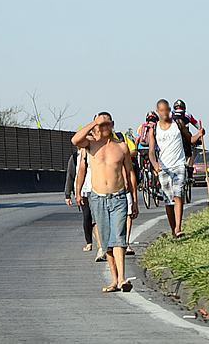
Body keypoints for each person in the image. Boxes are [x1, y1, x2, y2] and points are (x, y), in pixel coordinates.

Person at [71, 112, 138, 293]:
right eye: (101, 125)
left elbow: (130, 174)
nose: (104, 128)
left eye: (107, 124)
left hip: (118, 197)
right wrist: (94, 122)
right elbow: (75, 140)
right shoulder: (90, 144)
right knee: (107, 241)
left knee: (119, 238)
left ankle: (123, 278)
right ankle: (114, 280)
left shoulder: (121, 147)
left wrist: (135, 200)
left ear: (112, 124)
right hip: (98, 198)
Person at [149, 100, 204, 239]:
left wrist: (200, 134)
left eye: (167, 110)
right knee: (168, 200)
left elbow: (190, 139)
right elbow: (151, 151)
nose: (165, 113)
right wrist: (155, 164)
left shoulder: (178, 124)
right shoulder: (154, 129)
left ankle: (179, 227)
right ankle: (173, 229)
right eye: (162, 110)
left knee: (178, 194)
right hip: (164, 167)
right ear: (158, 111)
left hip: (179, 164)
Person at [74, 147, 106, 262]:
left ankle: (105, 246)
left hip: (101, 187)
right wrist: (77, 192)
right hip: (87, 189)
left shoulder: (103, 146)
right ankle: (101, 247)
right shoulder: (82, 153)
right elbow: (79, 172)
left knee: (101, 219)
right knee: (93, 219)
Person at [171, 99, 203, 180]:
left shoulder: (170, 114)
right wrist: (201, 132)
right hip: (185, 138)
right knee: (190, 155)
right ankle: (189, 174)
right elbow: (197, 125)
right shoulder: (187, 114)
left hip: (173, 139)